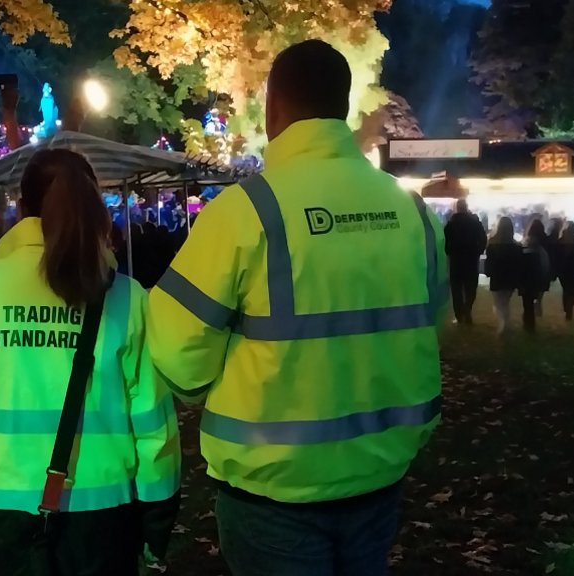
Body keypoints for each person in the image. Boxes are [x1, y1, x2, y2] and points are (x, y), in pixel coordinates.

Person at [147, 40, 447, 576]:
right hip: (379, 476)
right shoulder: (413, 212)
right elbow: (425, 321)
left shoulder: (246, 212)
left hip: (272, 491)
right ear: (343, 104)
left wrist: (202, 383)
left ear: (272, 106)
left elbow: (177, 351)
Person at [0, 149, 181, 576]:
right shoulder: (127, 299)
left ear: (22, 209)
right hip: (101, 525)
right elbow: (153, 428)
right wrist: (155, 527)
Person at [444, 199, 487, 325]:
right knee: (470, 286)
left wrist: (449, 252)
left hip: (456, 259)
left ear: (457, 208)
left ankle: (459, 315)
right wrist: (478, 251)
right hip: (471, 259)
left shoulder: (451, 223)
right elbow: (483, 239)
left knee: (456, 289)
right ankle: (468, 308)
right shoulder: (474, 222)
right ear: (466, 207)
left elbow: (445, 241)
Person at [485, 217, 522, 336]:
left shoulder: (492, 244)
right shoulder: (516, 247)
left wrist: (488, 273)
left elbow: (489, 263)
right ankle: (505, 323)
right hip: (510, 278)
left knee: (497, 303)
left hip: (497, 277)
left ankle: (503, 323)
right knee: (505, 302)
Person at [521, 219, 551, 333]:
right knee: (534, 297)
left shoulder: (525, 244)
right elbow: (545, 262)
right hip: (539, 276)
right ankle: (537, 304)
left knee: (527, 302)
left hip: (527, 278)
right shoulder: (543, 245)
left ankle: (528, 322)